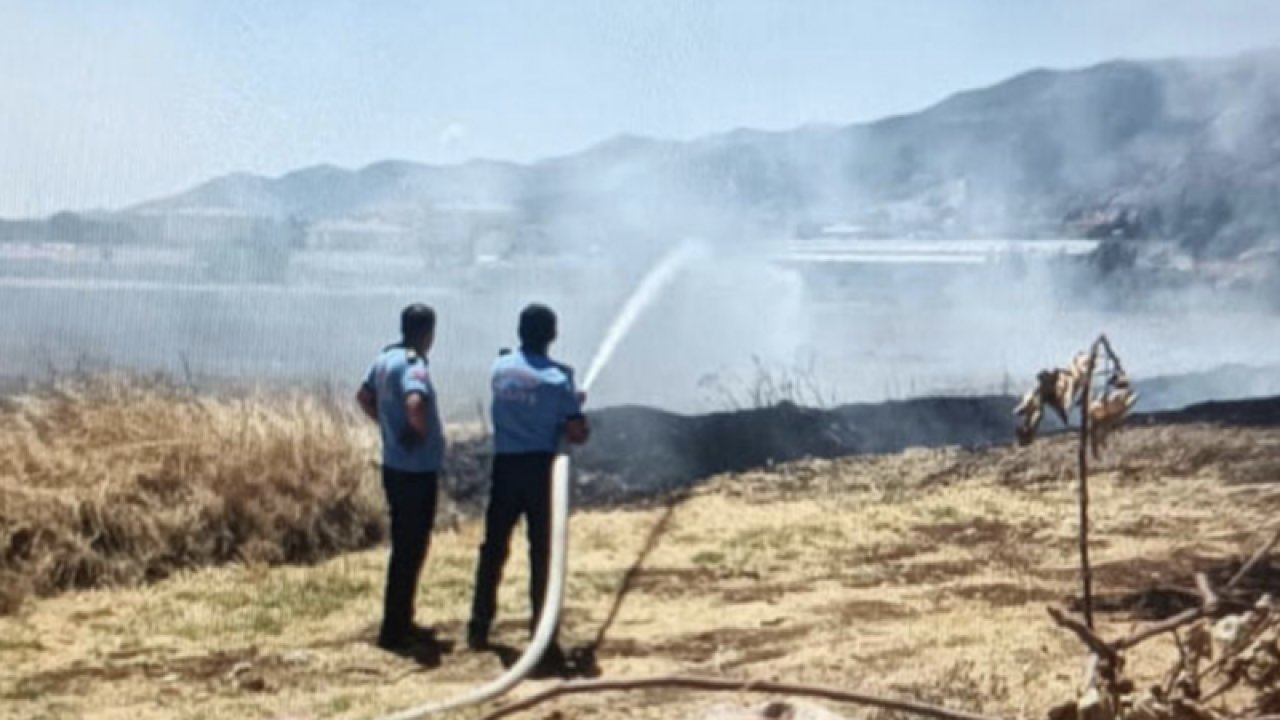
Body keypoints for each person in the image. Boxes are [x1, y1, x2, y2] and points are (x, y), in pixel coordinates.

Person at [467, 303, 590, 669]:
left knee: (493, 549)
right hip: (540, 471)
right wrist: (573, 405)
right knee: (541, 554)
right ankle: (542, 636)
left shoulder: (500, 368)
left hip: (504, 467)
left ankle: (478, 625)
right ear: (552, 335)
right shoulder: (558, 380)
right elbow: (576, 432)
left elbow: (522, 392)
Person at [356, 303, 447, 653]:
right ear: (428, 333)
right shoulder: (414, 364)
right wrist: (415, 429)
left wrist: (386, 425)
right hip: (416, 472)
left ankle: (400, 620)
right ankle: (395, 629)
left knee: (403, 547)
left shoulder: (384, 359)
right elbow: (415, 402)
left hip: (394, 467)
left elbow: (364, 397)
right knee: (411, 549)